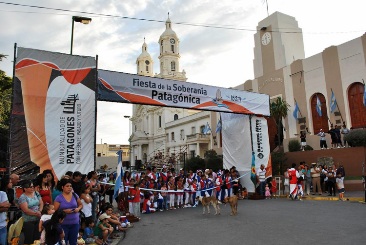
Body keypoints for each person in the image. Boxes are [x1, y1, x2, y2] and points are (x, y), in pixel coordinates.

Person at [54, 178, 83, 245]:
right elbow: (55, 210)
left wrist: (78, 209)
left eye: (70, 186)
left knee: (73, 242)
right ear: (62, 187)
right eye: (67, 186)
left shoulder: (75, 195)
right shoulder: (59, 198)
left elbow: (81, 204)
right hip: (63, 224)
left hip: (75, 223)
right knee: (63, 241)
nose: (69, 188)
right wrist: (64, 211)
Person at [18, 180, 43, 244]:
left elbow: (41, 203)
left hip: (38, 219)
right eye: (30, 187)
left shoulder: (36, 193)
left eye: (33, 186)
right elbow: (25, 210)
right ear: (25, 189)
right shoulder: (22, 197)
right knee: (29, 239)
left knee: (37, 238)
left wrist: (39, 211)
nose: (32, 188)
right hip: (28, 220)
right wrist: (36, 213)